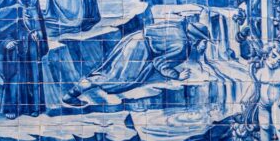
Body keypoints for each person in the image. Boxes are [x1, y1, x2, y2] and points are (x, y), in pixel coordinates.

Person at [63, 13, 211, 106]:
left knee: (104, 71)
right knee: (112, 78)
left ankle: (71, 94)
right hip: (138, 51)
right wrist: (177, 76)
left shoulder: (178, 27)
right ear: (196, 39)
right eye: (204, 41)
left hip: (133, 38)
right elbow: (159, 63)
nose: (204, 45)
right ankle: (70, 96)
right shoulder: (182, 47)